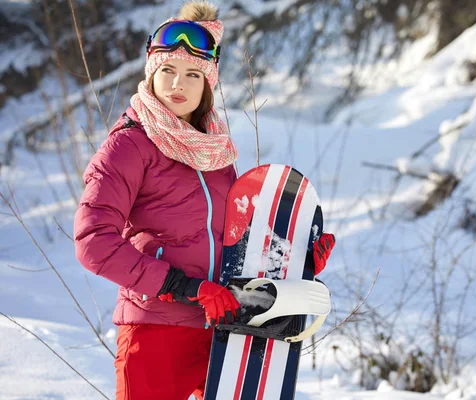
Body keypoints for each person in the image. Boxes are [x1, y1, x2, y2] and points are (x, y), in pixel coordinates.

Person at [73, 1, 335, 399]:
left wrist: (293, 258)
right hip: (155, 332)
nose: (179, 84)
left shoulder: (214, 153)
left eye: (193, 74)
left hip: (222, 333)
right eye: (168, 71)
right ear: (151, 74)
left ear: (207, 83)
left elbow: (231, 245)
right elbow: (93, 242)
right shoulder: (129, 144)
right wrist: (185, 287)